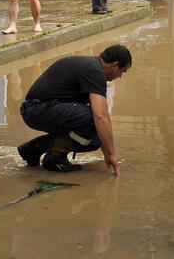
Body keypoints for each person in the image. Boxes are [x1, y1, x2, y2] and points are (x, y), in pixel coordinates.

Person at [17, 44, 132, 174]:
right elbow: (100, 116)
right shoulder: (95, 71)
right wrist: (111, 155)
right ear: (115, 65)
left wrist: (107, 154)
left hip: (38, 110)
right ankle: (55, 158)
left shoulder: (91, 66)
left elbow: (100, 120)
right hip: (36, 109)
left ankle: (35, 148)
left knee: (95, 140)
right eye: (123, 71)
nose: (120, 76)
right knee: (92, 120)